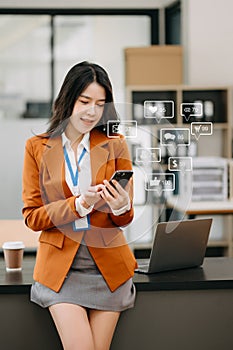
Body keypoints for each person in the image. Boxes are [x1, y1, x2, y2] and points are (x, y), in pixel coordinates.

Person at [22, 61, 137, 350]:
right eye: (85, 101)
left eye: (100, 104)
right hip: (61, 272)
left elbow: (125, 218)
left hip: (109, 269)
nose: (92, 111)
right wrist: (79, 204)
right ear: (68, 99)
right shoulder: (37, 147)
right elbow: (33, 216)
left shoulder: (115, 144)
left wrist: (121, 206)